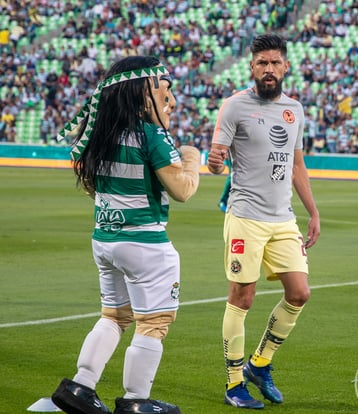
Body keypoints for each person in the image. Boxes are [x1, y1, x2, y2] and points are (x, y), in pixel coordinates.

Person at [51, 55, 200, 414]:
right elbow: (182, 189)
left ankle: (81, 386)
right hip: (145, 242)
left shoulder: (99, 134)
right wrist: (192, 158)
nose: (171, 103)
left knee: (114, 316)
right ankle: (136, 400)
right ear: (142, 94)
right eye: (165, 94)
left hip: (105, 238)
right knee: (154, 322)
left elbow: (90, 186)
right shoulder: (150, 134)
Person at [207, 33, 320, 409]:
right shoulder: (234, 107)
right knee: (243, 297)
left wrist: (313, 211)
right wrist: (215, 162)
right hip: (246, 218)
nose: (268, 69)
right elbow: (217, 155)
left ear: (285, 66)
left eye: (274, 63)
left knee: (299, 293)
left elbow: (297, 164)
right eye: (261, 63)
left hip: (283, 218)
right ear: (251, 67)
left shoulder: (295, 110)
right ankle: (234, 382)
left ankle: (260, 363)